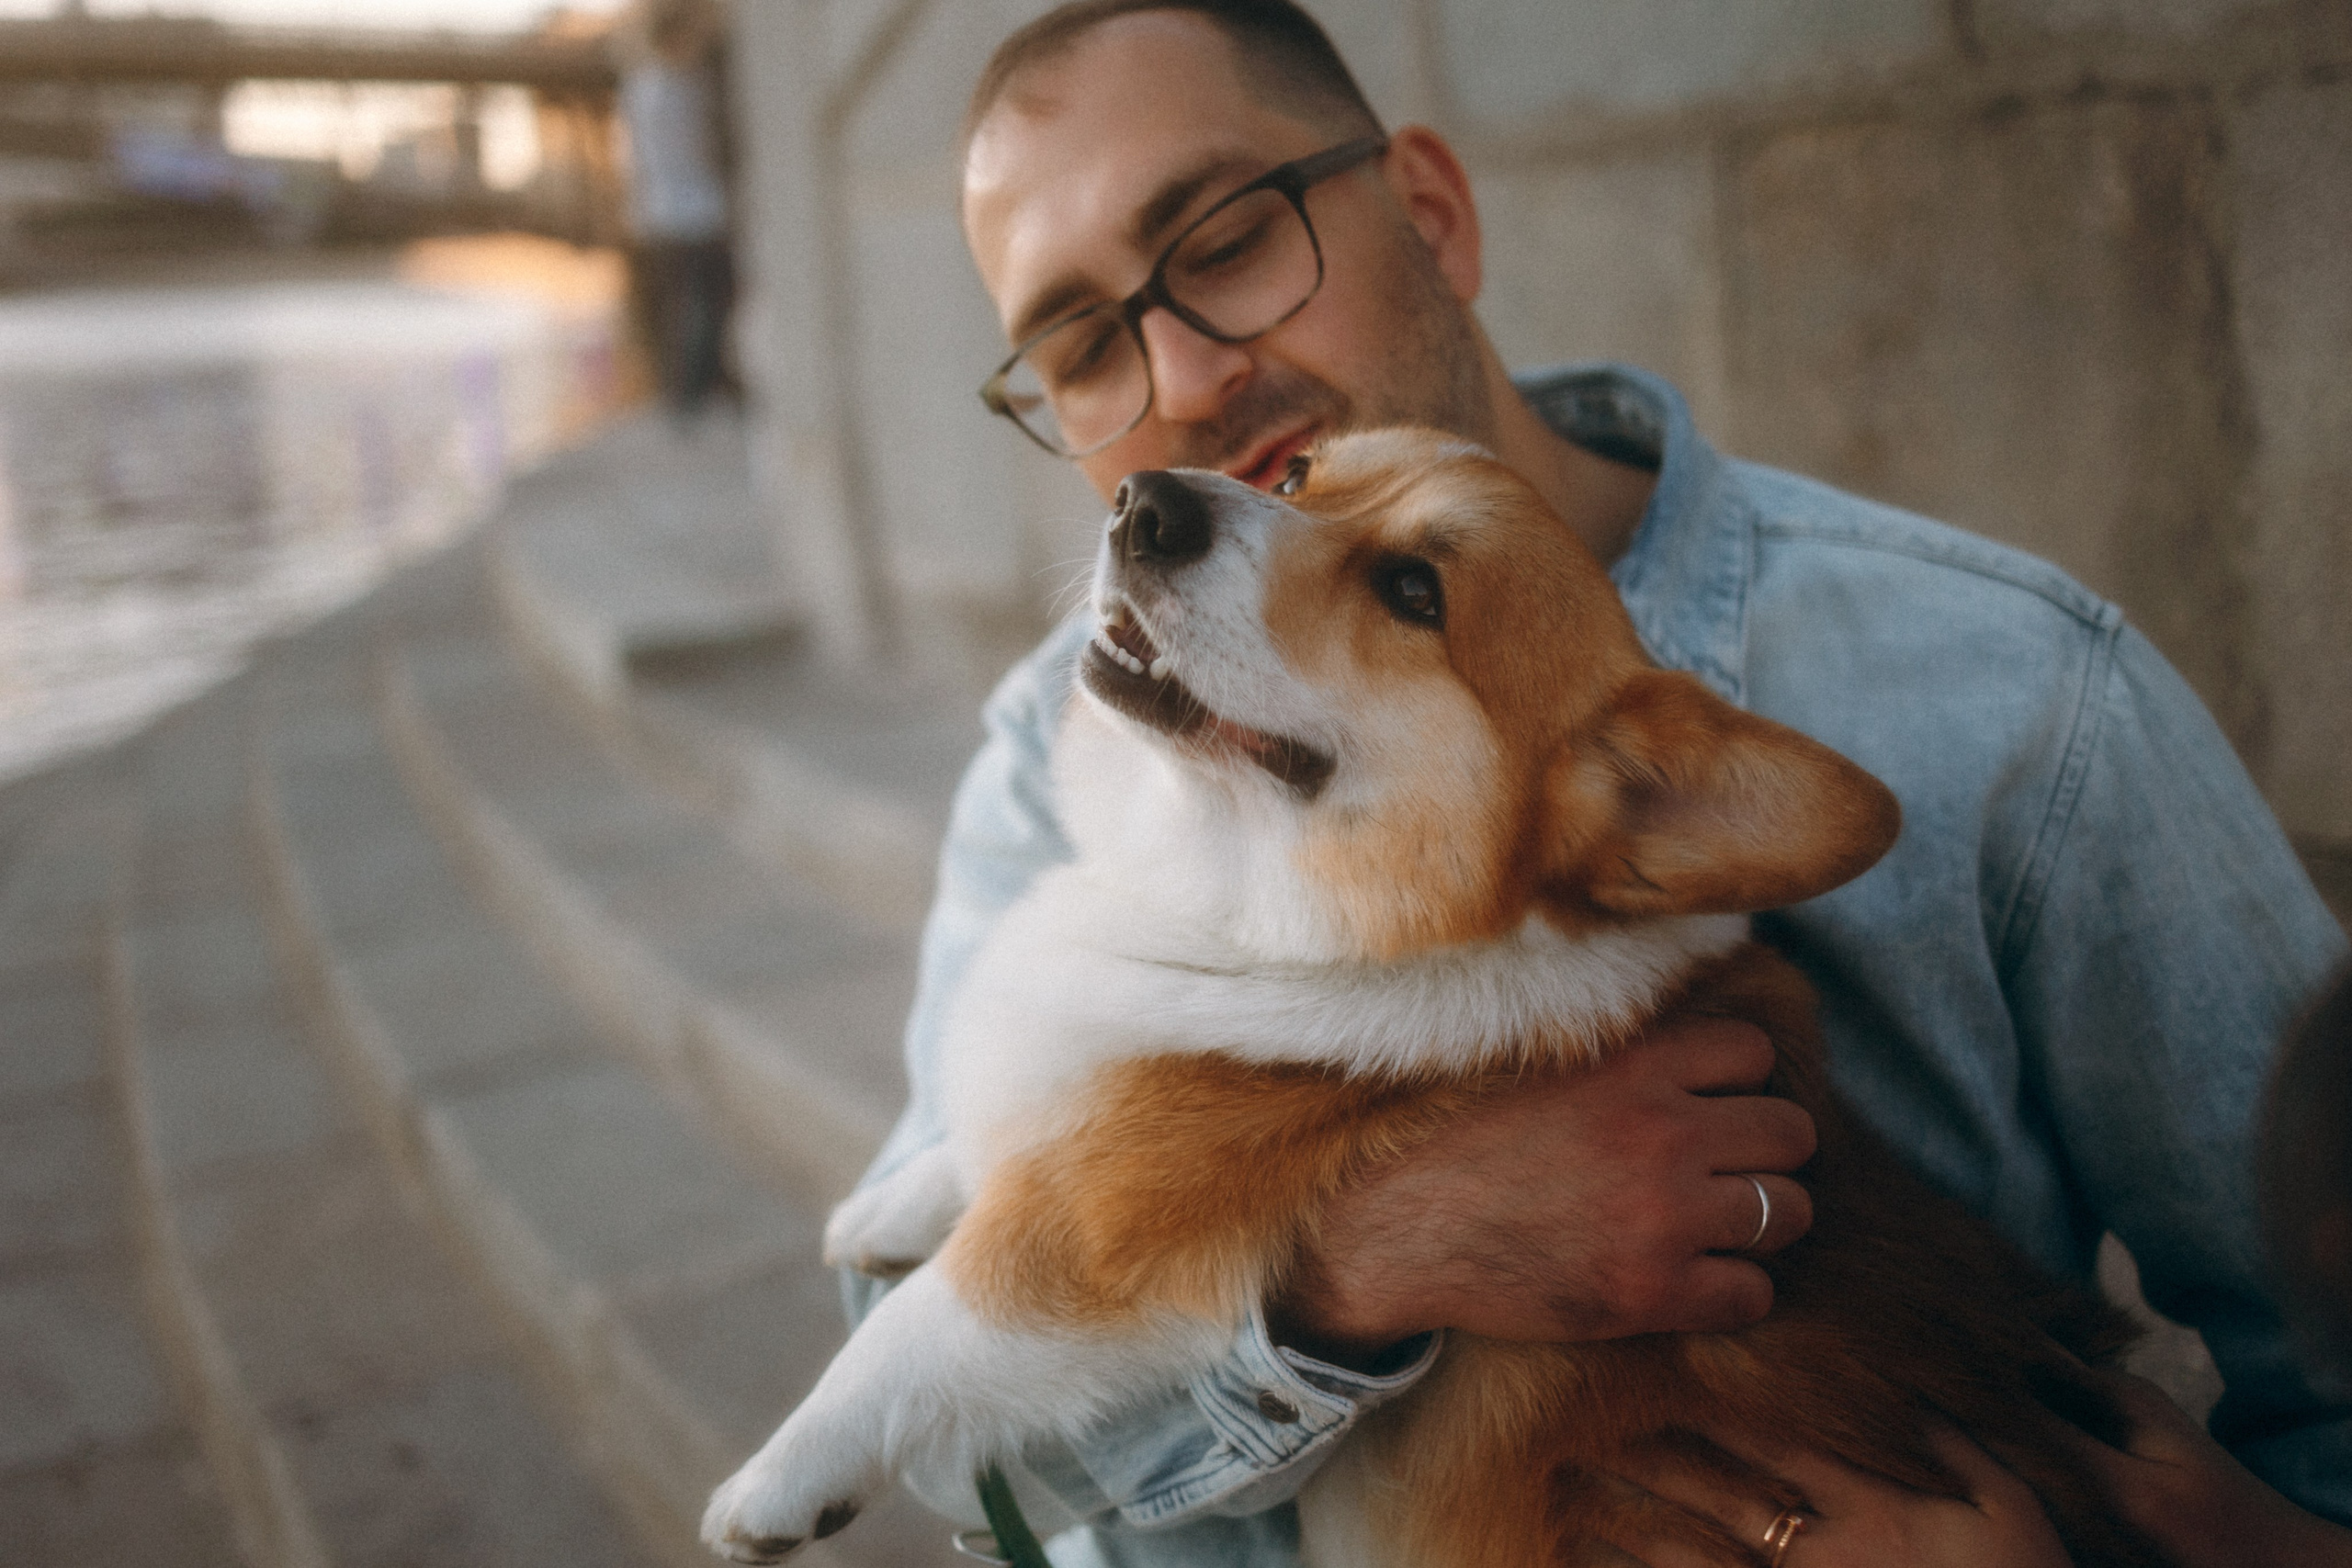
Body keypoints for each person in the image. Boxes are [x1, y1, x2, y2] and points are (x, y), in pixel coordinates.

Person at [842, 3, 2352, 1562]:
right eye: (1084, 345)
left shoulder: (2014, 692)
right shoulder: (1048, 751)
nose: (1182, 378)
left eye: (1226, 242)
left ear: (1429, 211)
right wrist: (1355, 1259)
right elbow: (922, 1401)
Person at [614, 0, 738, 423]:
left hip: (666, 216)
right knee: (702, 304)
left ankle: (690, 393)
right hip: (694, 215)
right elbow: (692, 154)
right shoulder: (676, 89)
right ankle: (697, 392)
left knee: (690, 306)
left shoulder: (642, 89)